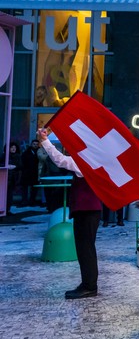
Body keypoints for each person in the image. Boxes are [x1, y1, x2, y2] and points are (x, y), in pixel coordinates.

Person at [38, 128, 103, 299]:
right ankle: (87, 283)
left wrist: (45, 141)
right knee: (85, 248)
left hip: (87, 210)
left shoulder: (86, 161)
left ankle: (90, 286)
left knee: (86, 249)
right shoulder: (93, 159)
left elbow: (60, 160)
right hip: (88, 210)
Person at [19, 139, 40, 206]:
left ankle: (32, 201)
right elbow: (23, 161)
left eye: (37, 144)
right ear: (31, 144)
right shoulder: (26, 152)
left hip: (35, 172)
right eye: (34, 144)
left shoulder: (39, 152)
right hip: (27, 172)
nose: (35, 146)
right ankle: (24, 201)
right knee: (25, 187)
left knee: (34, 188)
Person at [5, 141, 21, 207]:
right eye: (12, 147)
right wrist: (7, 166)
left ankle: (8, 209)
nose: (13, 149)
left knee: (10, 194)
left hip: (13, 178)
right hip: (5, 178)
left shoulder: (18, 156)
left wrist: (15, 166)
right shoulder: (4, 156)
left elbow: (21, 166)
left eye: (15, 147)